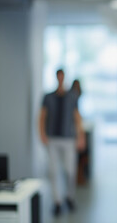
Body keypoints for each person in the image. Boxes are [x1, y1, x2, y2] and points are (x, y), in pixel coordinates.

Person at [39, 69, 85, 217]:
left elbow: (77, 118)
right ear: (56, 77)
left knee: (69, 170)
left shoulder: (72, 96)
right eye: (58, 77)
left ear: (64, 78)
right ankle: (57, 201)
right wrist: (42, 134)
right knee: (53, 171)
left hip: (68, 138)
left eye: (62, 77)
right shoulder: (48, 97)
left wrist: (81, 136)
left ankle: (69, 197)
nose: (60, 79)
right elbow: (42, 116)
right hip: (52, 138)